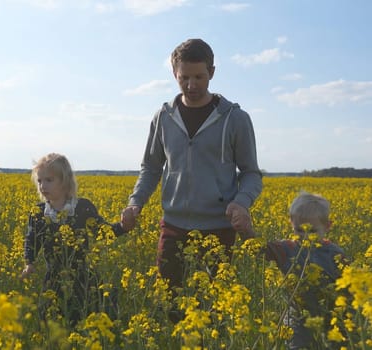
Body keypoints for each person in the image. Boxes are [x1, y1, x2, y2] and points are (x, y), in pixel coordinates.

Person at [120, 38, 263, 317]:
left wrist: (241, 202)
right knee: (169, 309)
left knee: (214, 313)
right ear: (174, 74)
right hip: (174, 227)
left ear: (212, 72)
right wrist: (136, 203)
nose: (191, 85)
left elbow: (251, 173)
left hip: (218, 230)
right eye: (184, 77)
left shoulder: (235, 119)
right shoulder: (163, 117)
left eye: (199, 76)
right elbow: (151, 168)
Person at [21, 153, 129, 326]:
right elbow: (32, 240)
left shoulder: (82, 207)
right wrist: (29, 263)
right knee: (49, 320)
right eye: (39, 181)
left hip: (82, 276)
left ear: (64, 182)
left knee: (89, 315)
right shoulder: (38, 213)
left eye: (49, 180)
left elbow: (103, 231)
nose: (43, 186)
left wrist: (124, 226)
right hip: (54, 277)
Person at [264, 191, 348, 349]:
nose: (305, 237)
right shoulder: (286, 248)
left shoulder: (336, 254)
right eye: (300, 230)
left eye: (312, 231)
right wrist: (244, 228)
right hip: (297, 323)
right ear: (291, 223)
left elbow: (349, 289)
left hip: (330, 320)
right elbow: (260, 250)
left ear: (328, 226)